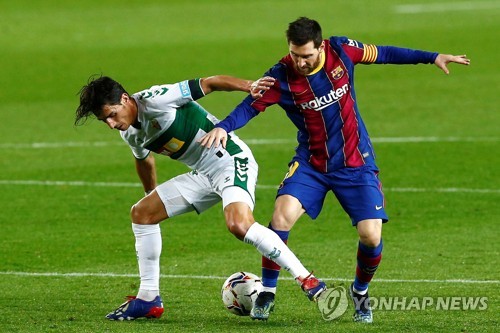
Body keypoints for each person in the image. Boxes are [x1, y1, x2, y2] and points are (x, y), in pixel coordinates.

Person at [199, 17, 470, 323]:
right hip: (312, 163)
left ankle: (360, 292)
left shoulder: (342, 51)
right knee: (280, 216)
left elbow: (384, 53)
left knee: (370, 235)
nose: (299, 62)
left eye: (306, 55)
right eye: (294, 54)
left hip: (355, 163)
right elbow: (250, 106)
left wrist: (432, 57)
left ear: (320, 46)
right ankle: (268, 292)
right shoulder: (281, 76)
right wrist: (223, 127)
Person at [74, 74, 327, 321]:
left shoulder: (157, 99)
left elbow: (209, 83)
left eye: (111, 115)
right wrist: (151, 195)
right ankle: (149, 298)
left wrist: (248, 86)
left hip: (230, 159)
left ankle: (307, 280)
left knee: (239, 225)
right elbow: (144, 161)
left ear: (126, 99)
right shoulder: (129, 132)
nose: (110, 124)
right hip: (203, 174)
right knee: (142, 213)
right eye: (103, 120)